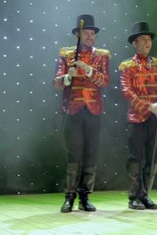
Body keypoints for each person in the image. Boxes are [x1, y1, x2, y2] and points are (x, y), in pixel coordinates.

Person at [118, 21, 157, 210]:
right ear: (134, 43)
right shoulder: (127, 66)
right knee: (135, 159)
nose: (147, 43)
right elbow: (127, 92)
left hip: (155, 118)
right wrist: (148, 106)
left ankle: (145, 195)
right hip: (137, 119)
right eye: (143, 40)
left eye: (149, 39)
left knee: (153, 158)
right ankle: (133, 197)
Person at [53, 14, 110, 213]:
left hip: (93, 110)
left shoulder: (102, 55)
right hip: (73, 109)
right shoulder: (66, 53)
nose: (89, 37)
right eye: (85, 33)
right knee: (73, 154)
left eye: (92, 33)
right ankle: (69, 196)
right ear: (77, 35)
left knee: (90, 154)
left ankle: (85, 197)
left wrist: (87, 70)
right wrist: (68, 76)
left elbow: (104, 82)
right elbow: (56, 82)